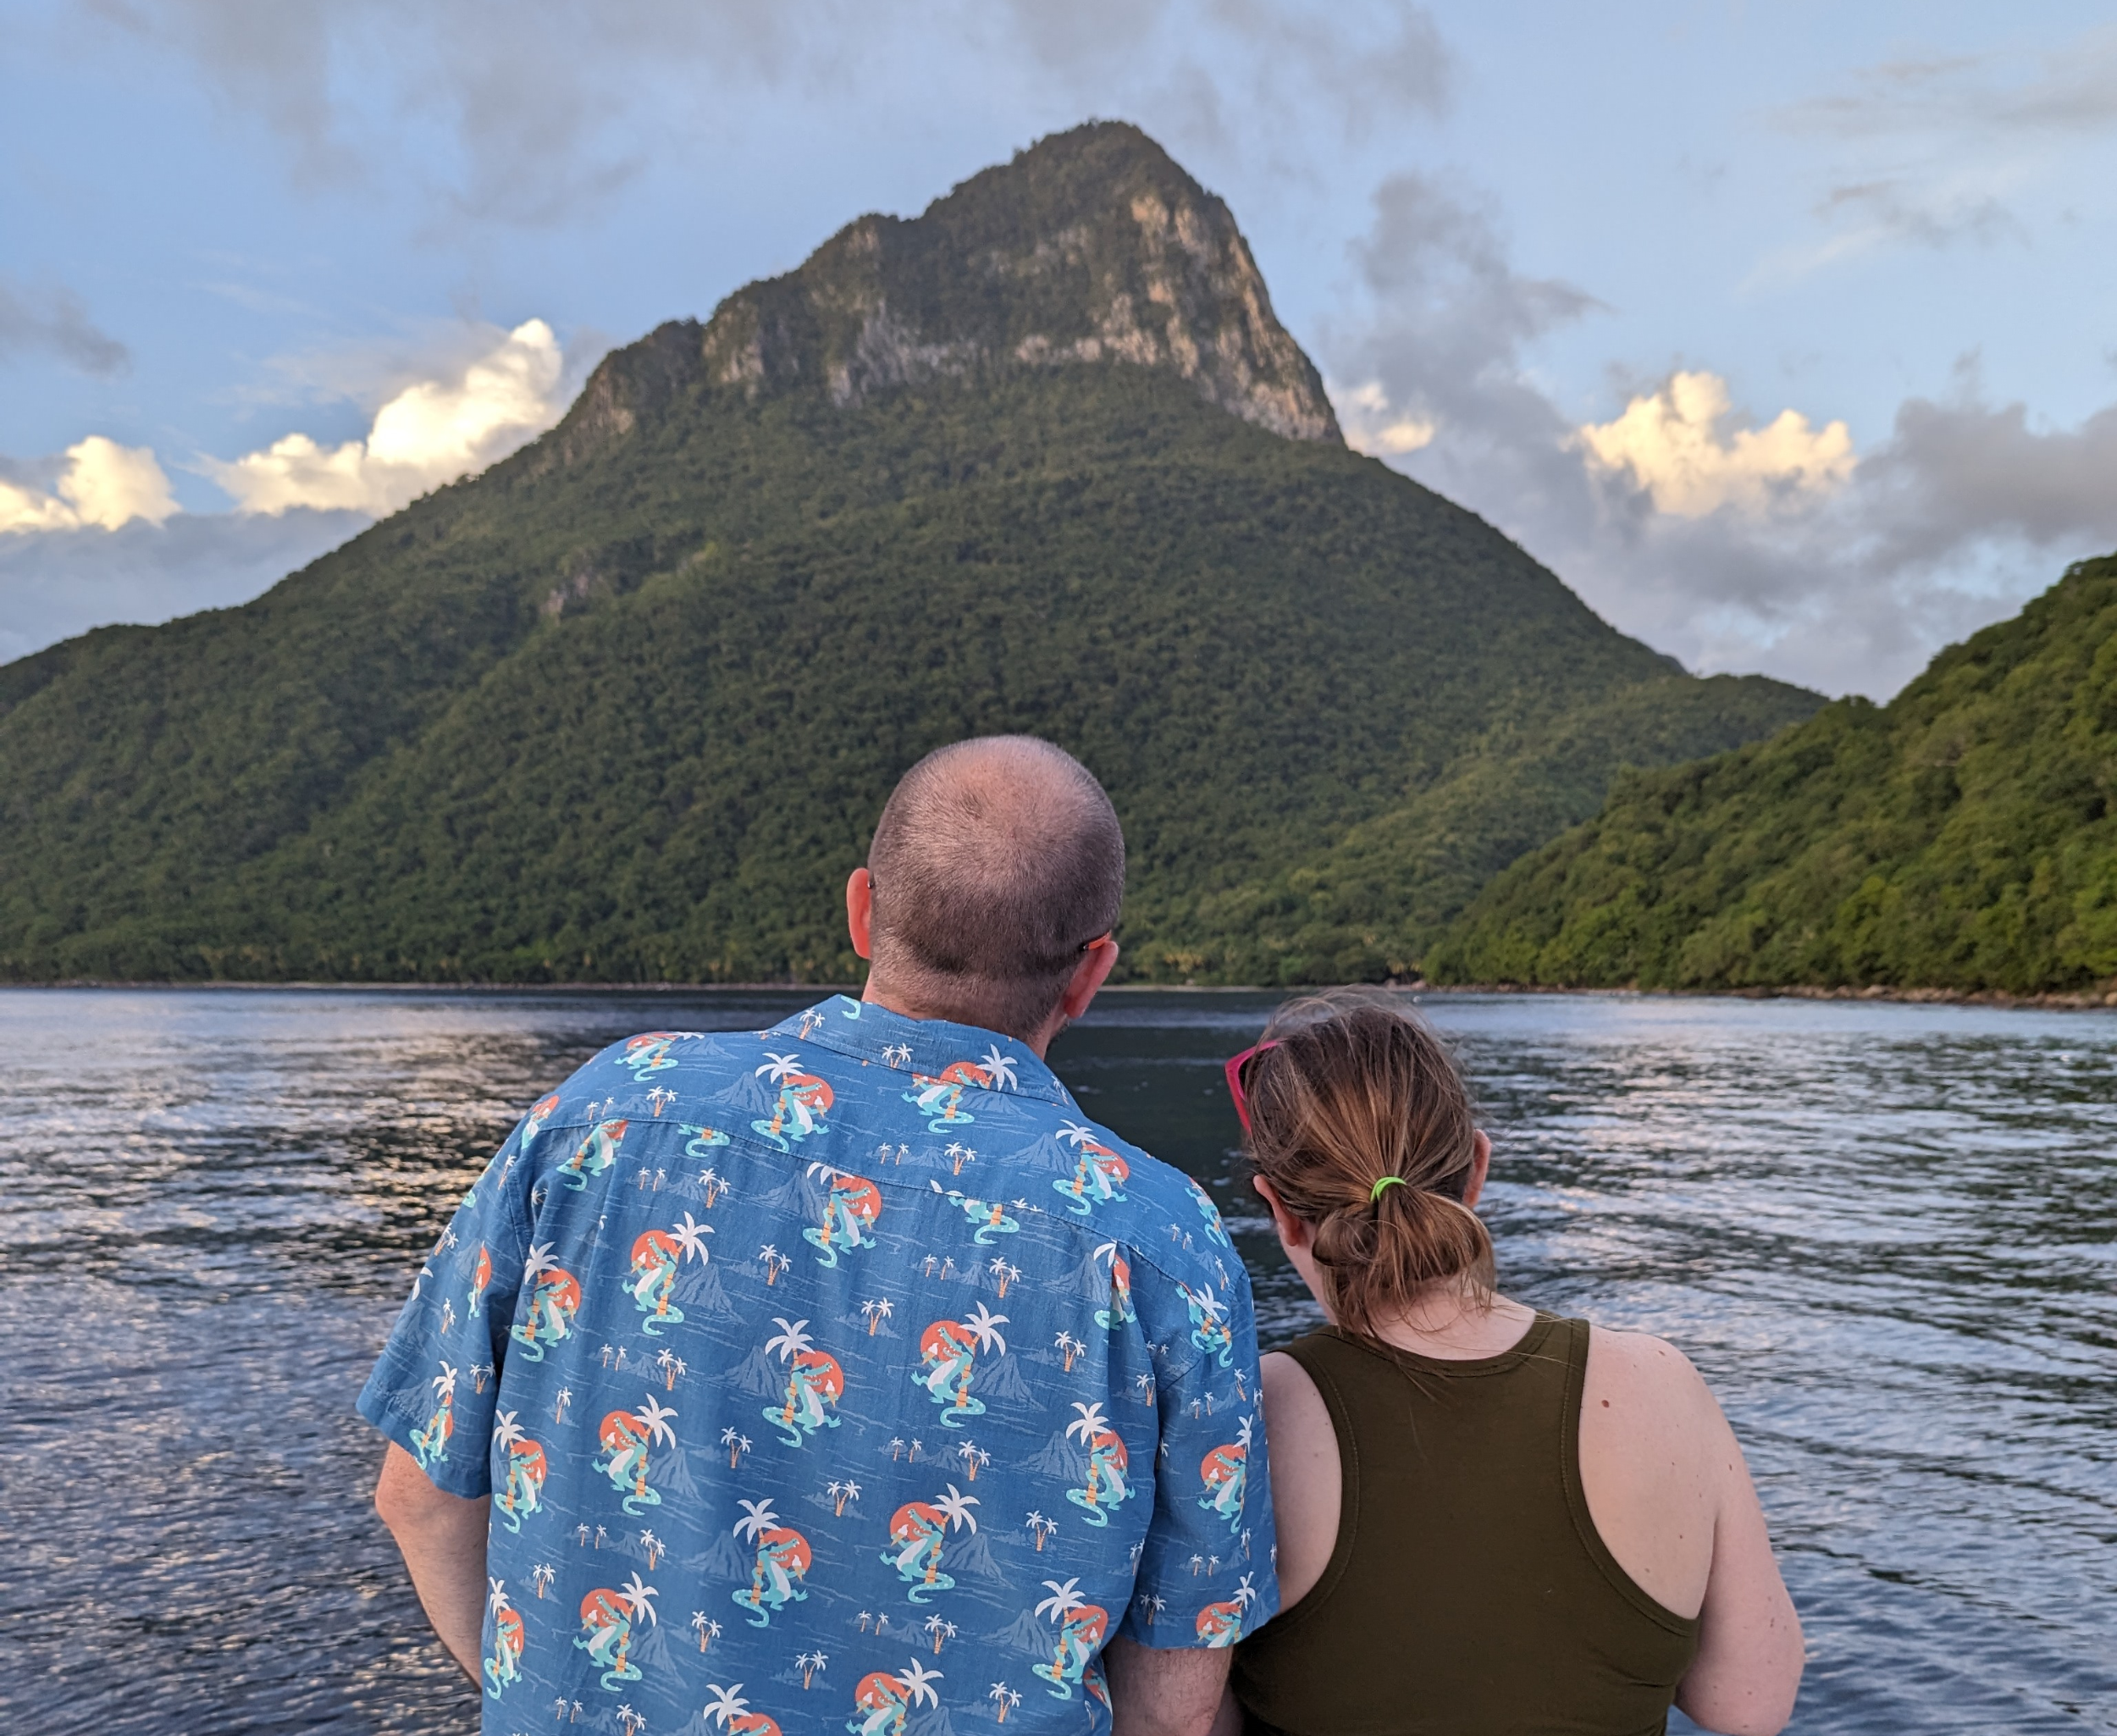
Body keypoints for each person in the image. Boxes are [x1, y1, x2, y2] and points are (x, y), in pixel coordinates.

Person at [360, 735, 1276, 1736]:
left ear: (862, 911)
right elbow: (1173, 1704)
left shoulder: (605, 1116)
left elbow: (421, 1499)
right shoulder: (1161, 1242)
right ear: (1091, 970)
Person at [1217, 992, 1803, 1736]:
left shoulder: (1247, 1415)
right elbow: (1751, 1703)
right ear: (1476, 1170)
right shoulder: (1660, 1386)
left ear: (1279, 1208)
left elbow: (1183, 1710)